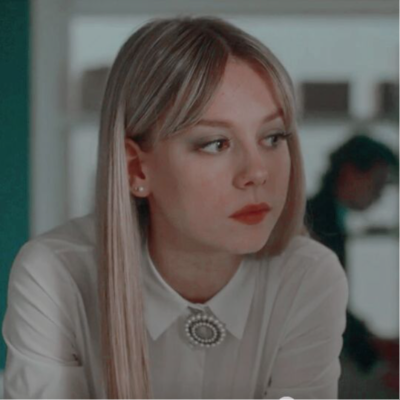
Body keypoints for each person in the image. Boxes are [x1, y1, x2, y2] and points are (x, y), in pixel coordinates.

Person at [2, 17, 347, 400]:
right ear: (136, 168)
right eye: (215, 144)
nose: (257, 173)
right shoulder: (56, 275)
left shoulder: (309, 278)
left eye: (273, 137)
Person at [305, 134, 400, 397]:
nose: (379, 194)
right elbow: (323, 308)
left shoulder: (327, 218)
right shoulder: (316, 223)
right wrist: (375, 362)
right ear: (349, 172)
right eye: (378, 182)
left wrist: (373, 343)